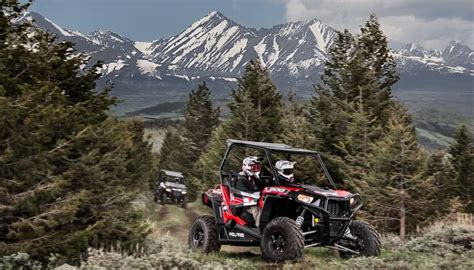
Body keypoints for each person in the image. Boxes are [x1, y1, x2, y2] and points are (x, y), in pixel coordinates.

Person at [234, 156, 265, 226]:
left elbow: (264, 188)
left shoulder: (254, 179)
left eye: (258, 167)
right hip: (246, 206)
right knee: (258, 209)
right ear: (247, 167)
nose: (257, 170)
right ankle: (261, 230)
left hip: (257, 202)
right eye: (255, 168)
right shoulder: (240, 180)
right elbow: (243, 194)